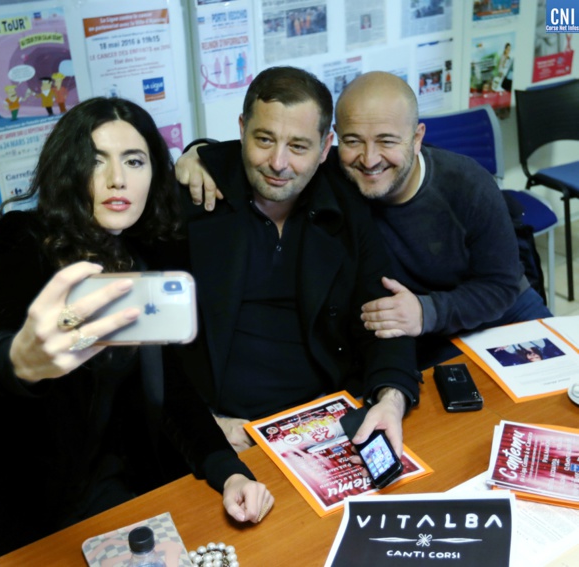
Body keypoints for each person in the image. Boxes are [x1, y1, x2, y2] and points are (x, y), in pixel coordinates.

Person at [0, 97, 273, 561]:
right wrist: (22, 360)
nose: (117, 178)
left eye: (134, 161)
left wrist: (230, 472)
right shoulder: (24, 238)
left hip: (119, 489)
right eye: (96, 160)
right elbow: (0, 339)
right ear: (69, 169)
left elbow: (172, 387)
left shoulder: (143, 252)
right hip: (24, 505)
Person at [177, 71, 552, 371]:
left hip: (500, 313)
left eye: (387, 141)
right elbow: (275, 147)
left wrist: (427, 311)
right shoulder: (335, 172)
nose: (370, 159)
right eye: (354, 140)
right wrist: (200, 156)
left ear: (416, 138)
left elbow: (502, 285)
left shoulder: (468, 184)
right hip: (415, 334)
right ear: (333, 143)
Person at [171, 67, 421, 458]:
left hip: (323, 422)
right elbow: (149, 352)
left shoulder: (346, 202)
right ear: (242, 129)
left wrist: (391, 398)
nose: (278, 162)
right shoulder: (193, 198)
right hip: (223, 433)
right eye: (264, 139)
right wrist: (201, 425)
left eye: (299, 147)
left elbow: (383, 319)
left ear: (325, 148)